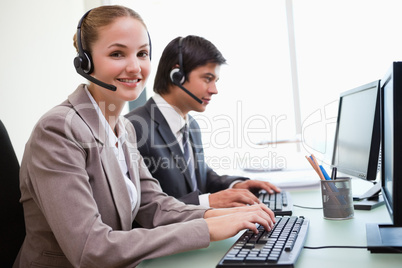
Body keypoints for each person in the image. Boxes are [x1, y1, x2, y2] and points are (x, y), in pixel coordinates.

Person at [13, 6, 275, 268]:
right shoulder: (59, 129)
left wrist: (220, 215)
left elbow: (155, 206)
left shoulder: (124, 128)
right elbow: (90, 250)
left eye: (142, 54)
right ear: (86, 62)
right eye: (117, 53)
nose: (134, 67)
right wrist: (207, 229)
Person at [125, 35, 281, 208]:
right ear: (177, 75)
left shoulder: (191, 125)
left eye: (216, 81)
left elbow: (200, 178)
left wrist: (235, 185)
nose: (214, 90)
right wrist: (207, 201)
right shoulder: (134, 128)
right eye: (207, 78)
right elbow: (140, 209)